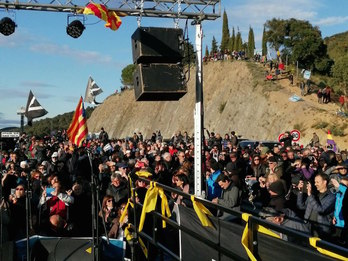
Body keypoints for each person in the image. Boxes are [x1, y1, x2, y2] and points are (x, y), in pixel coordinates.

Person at [297, 173, 335, 239]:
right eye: (315, 182)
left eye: (317, 182)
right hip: (308, 227)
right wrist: (300, 192)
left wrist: (310, 196)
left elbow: (321, 210)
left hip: (321, 230)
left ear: (325, 182)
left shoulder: (331, 197)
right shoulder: (314, 195)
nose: (315, 184)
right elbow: (301, 206)